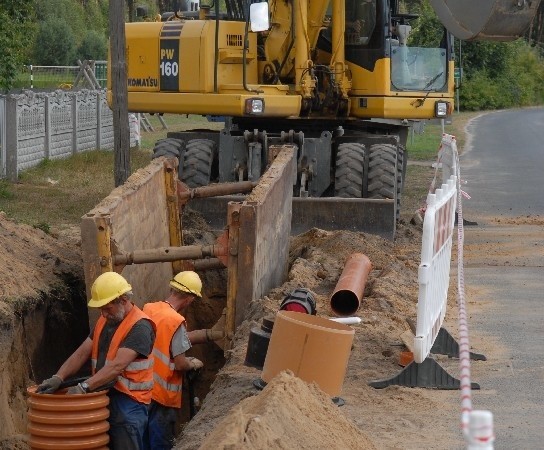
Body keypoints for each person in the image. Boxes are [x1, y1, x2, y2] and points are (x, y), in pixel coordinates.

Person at [37, 271, 156, 450]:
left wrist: (84, 387)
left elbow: (117, 366)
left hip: (130, 403)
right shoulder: (104, 320)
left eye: (107, 308)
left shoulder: (140, 326)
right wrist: (59, 377)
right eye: (101, 309)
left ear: (123, 300)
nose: (104, 314)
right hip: (105, 394)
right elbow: (81, 353)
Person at [142, 270, 224, 450]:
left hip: (141, 387)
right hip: (162, 395)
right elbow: (180, 363)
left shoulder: (149, 308)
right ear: (189, 298)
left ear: (173, 289)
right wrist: (192, 363)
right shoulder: (176, 321)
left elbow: (159, 342)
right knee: (160, 441)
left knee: (143, 439)